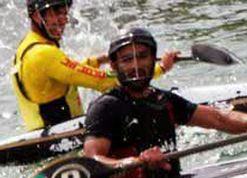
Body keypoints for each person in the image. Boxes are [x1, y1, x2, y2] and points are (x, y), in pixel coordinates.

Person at [84, 28, 247, 178]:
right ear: (114, 65)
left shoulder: (164, 100)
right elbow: (92, 161)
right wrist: (136, 160)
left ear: (152, 59)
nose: (136, 66)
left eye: (142, 56)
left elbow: (218, 118)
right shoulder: (105, 107)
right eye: (127, 59)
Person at [12, 2, 178, 131]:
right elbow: (104, 82)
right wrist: (160, 67)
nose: (63, 19)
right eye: (55, 13)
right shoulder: (44, 53)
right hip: (59, 138)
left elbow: (66, 72)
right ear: (36, 16)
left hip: (43, 132)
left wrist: (100, 60)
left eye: (63, 12)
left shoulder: (28, 46)